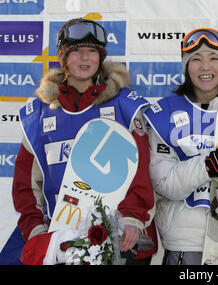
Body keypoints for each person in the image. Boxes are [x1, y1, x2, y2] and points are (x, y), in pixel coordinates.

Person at [3, 18, 157, 265]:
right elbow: (26, 186)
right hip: (61, 240)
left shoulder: (125, 105)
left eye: (92, 51)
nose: (85, 58)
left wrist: (133, 221)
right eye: (76, 51)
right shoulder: (38, 114)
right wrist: (38, 234)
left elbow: (142, 173)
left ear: (100, 56)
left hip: (118, 238)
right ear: (63, 57)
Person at [144, 28, 218, 265]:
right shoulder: (164, 113)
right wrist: (209, 164)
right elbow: (166, 185)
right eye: (196, 59)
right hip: (185, 244)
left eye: (214, 59)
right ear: (186, 66)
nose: (205, 67)